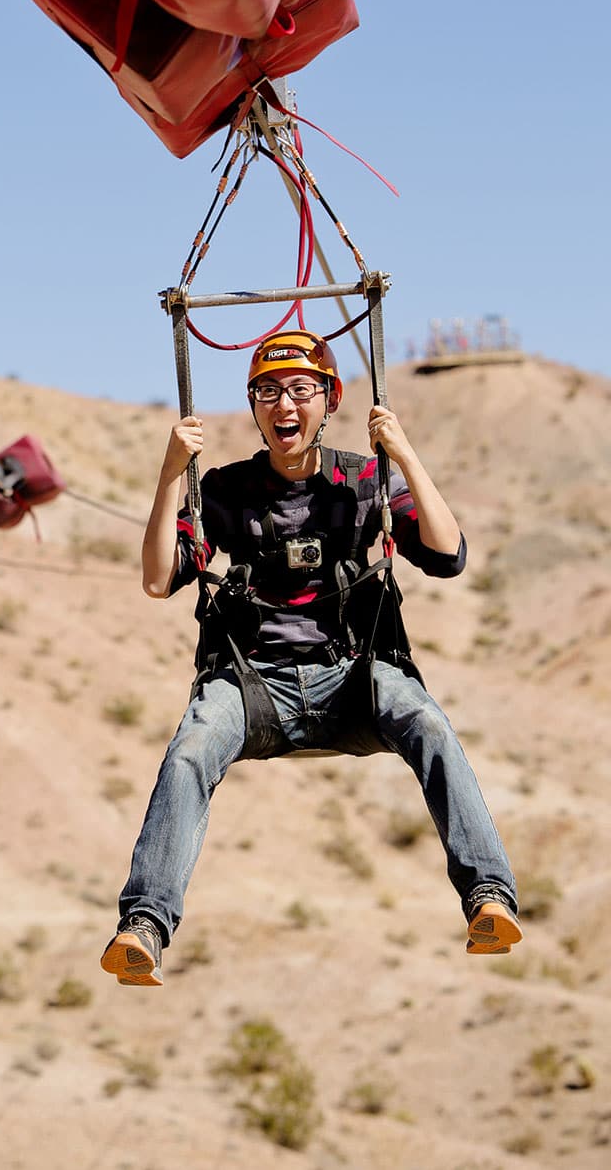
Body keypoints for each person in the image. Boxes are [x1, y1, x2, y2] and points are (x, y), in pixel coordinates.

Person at [100, 329, 520, 987]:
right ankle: (145, 925)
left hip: (352, 673)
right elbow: (159, 578)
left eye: (300, 390)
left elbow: (448, 555)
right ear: (254, 406)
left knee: (430, 725)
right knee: (189, 751)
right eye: (267, 392)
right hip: (255, 681)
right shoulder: (227, 489)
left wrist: (404, 455)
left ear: (328, 400)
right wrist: (168, 472)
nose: (283, 405)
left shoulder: (363, 481)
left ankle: (487, 895)